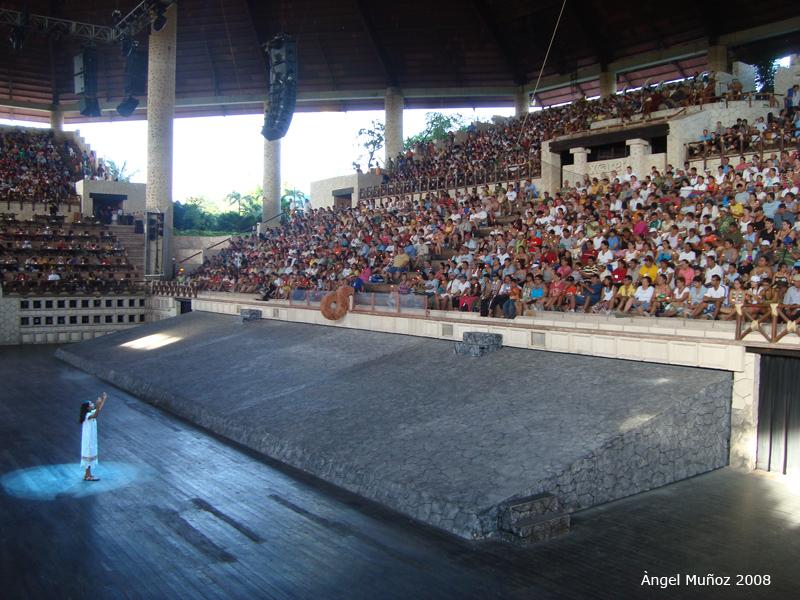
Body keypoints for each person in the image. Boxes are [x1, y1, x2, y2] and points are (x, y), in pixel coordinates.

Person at [79, 392, 107, 481]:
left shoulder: (89, 413)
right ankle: (87, 475)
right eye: (91, 404)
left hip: (91, 439)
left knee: (90, 455)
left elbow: (99, 409)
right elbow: (96, 414)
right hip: (88, 440)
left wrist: (103, 399)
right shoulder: (87, 415)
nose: (92, 404)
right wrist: (98, 405)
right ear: (87, 407)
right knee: (89, 455)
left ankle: (88, 474)